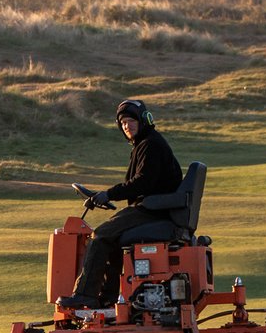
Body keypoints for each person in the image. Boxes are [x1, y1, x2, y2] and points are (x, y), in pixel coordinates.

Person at [57, 99, 182, 309]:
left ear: (144, 120)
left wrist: (109, 194)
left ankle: (85, 294)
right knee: (112, 238)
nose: (127, 126)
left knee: (101, 235)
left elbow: (143, 182)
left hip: (154, 209)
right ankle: (108, 297)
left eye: (131, 120)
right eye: (123, 123)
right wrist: (106, 196)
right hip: (154, 207)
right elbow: (138, 184)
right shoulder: (144, 144)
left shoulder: (151, 144)